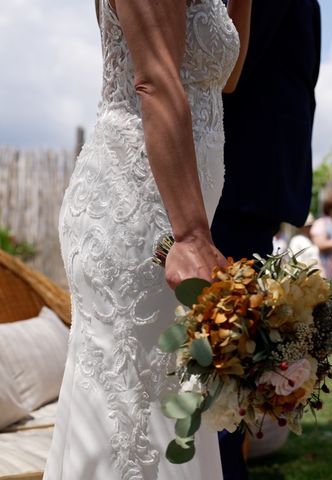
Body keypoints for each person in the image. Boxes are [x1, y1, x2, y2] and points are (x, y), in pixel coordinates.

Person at [45, 1, 251, 479]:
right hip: (135, 208)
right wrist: (192, 233)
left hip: (179, 206)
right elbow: (155, 80)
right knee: (133, 402)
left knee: (169, 392)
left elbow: (230, 76)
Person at [209, 2, 320, 477]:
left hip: (238, 181)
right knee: (223, 351)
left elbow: (228, 62)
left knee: (222, 351)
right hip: (246, 183)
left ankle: (223, 465)